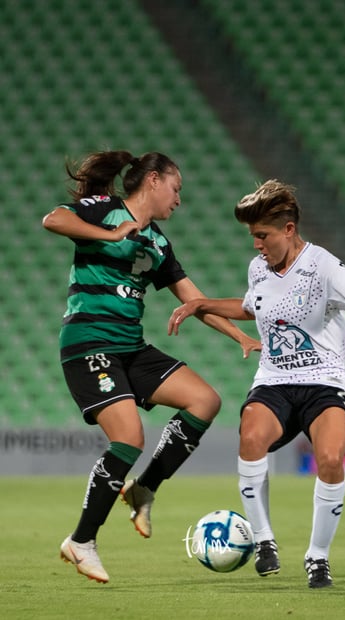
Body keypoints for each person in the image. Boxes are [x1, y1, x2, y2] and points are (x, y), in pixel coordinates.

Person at [42, 150, 260, 583]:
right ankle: (81, 540)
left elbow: (192, 298)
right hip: (89, 344)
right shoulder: (105, 209)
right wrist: (109, 235)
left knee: (204, 401)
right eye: (176, 189)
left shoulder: (158, 242)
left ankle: (145, 488)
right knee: (130, 437)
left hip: (130, 347)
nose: (179, 199)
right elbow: (53, 219)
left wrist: (239, 335)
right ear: (155, 181)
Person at [168, 179, 345, 588]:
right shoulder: (259, 269)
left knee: (332, 461)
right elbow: (253, 306)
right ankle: (264, 541)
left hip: (324, 383)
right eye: (253, 237)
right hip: (275, 381)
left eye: (261, 235)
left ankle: (318, 558)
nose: (256, 245)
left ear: (288, 230)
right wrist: (202, 303)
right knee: (250, 436)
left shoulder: (323, 265)